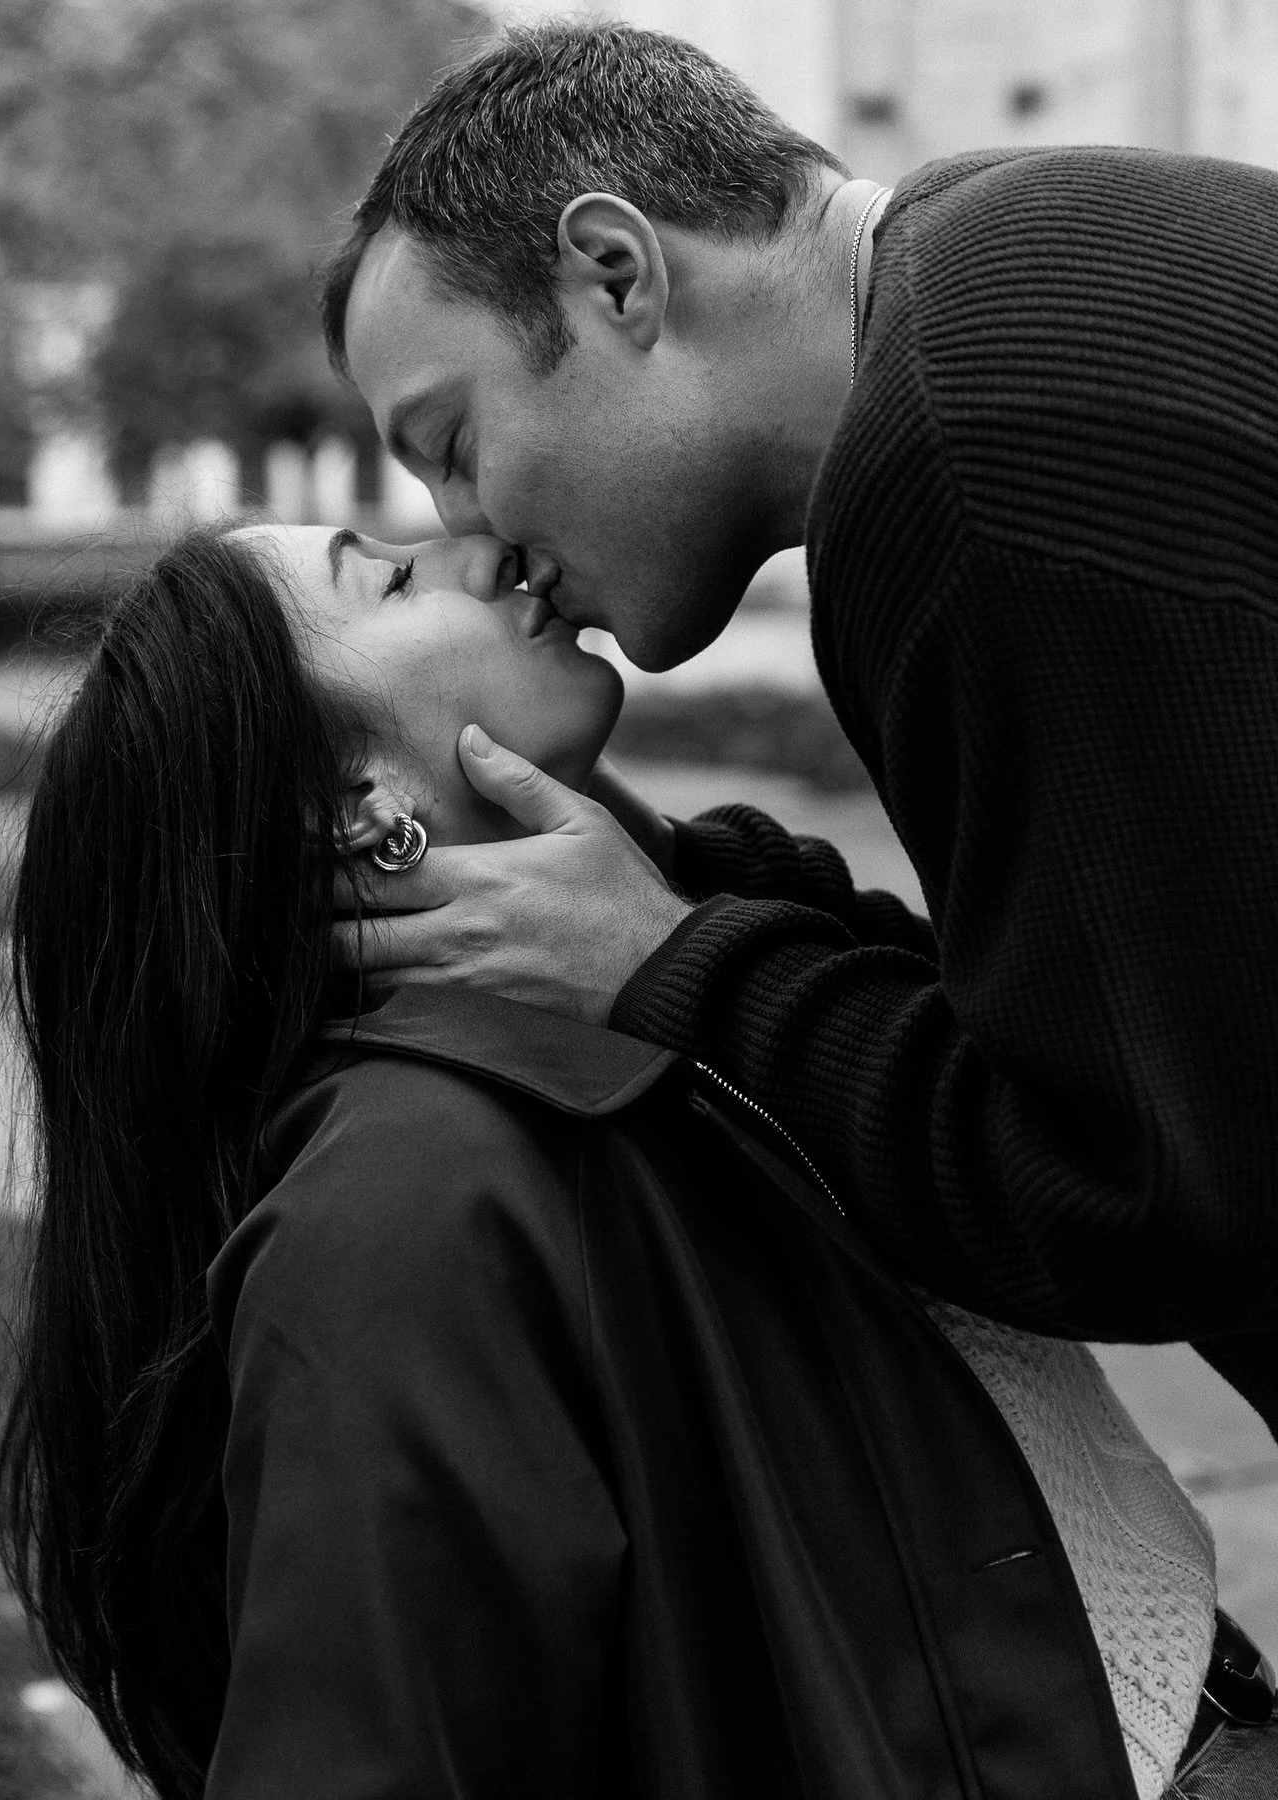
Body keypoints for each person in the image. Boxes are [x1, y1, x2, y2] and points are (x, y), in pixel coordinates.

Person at [0, 525, 1269, 1800]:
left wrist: (662, 911)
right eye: (385, 575)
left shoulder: (614, 1002)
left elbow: (972, 1041)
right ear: (345, 807)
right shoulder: (404, 1198)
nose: (479, 545)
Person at [317, 22, 1278, 1454]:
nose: (475, 538)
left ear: (616, 274)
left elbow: (1143, 1190)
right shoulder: (1009, 252)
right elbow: (1106, 1018)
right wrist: (685, 898)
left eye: (452, 445)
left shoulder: (956, 459)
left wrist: (670, 973)